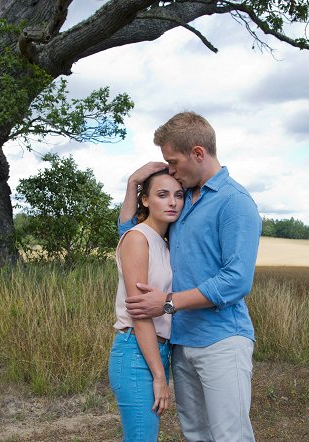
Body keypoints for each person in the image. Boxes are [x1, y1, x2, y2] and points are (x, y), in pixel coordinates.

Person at [119, 111, 262, 442]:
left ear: (198, 153)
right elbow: (132, 234)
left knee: (230, 435)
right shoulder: (183, 201)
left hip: (222, 339)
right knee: (196, 433)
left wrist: (168, 303)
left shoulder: (235, 203)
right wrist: (131, 185)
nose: (170, 170)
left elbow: (237, 279)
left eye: (173, 162)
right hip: (182, 343)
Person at [109, 169, 185, 441]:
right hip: (135, 354)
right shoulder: (138, 238)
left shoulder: (162, 243)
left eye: (178, 195)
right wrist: (159, 377)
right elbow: (140, 314)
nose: (172, 202)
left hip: (155, 351)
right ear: (145, 200)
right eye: (162, 195)